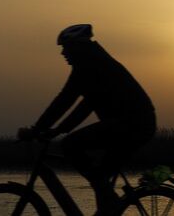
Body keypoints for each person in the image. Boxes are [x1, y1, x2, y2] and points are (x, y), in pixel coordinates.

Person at [19, 24, 156, 214]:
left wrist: (38, 129)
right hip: (132, 124)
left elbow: (66, 100)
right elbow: (83, 105)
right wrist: (55, 129)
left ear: (77, 46)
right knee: (99, 177)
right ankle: (109, 206)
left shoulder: (90, 65)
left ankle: (110, 202)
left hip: (132, 124)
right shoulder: (93, 62)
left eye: (65, 47)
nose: (63, 53)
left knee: (70, 146)